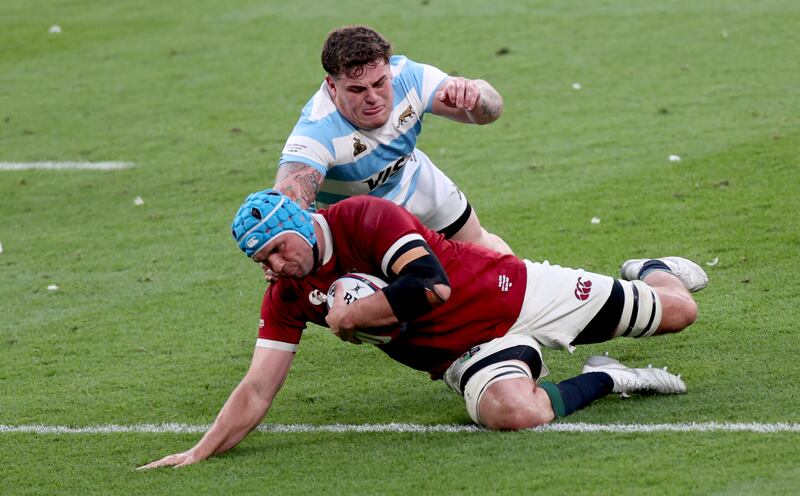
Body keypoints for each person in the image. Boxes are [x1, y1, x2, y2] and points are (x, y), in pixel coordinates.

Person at [140, 189, 707, 469]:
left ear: (301, 227)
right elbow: (258, 387)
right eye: (260, 261)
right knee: (515, 413)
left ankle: (652, 269)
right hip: (466, 352)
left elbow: (432, 287)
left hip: (513, 291)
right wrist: (199, 451)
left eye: (275, 251)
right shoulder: (287, 295)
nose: (271, 267)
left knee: (680, 312)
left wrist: (353, 314)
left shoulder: (364, 216)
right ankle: (611, 378)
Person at [273, 25, 512, 256]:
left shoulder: (409, 77)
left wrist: (475, 94)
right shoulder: (317, 132)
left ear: (389, 70)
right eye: (357, 90)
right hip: (359, 224)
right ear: (332, 86)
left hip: (415, 184)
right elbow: (282, 212)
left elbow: (491, 111)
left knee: (487, 251)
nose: (373, 97)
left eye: (380, 83)